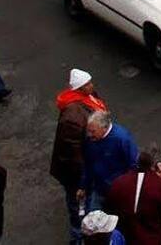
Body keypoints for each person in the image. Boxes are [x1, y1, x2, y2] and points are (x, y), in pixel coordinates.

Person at [52, 69, 108, 243]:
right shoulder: (72, 117)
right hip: (75, 174)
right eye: (88, 84)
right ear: (80, 88)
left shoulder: (87, 99)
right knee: (77, 203)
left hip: (86, 164)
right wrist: (83, 179)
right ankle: (78, 236)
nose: (92, 86)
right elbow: (71, 153)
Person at [104, 148, 161, 245]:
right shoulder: (159, 185)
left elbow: (110, 205)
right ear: (153, 166)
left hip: (127, 236)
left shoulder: (119, 182)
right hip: (151, 238)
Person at [80, 110, 140, 224]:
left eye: (93, 131)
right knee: (92, 223)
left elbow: (133, 166)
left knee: (121, 222)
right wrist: (83, 186)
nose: (89, 135)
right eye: (88, 131)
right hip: (99, 189)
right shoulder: (91, 140)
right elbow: (87, 163)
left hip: (118, 192)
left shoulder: (122, 139)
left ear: (104, 128)